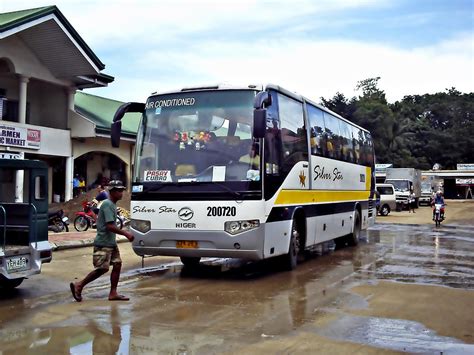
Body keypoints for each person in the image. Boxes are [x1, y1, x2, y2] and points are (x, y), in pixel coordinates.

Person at [70, 180, 134, 302]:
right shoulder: (108, 204)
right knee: (102, 269)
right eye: (119, 191)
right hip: (103, 242)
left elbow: (104, 222)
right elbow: (110, 226)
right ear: (113, 191)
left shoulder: (111, 205)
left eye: (122, 190)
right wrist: (126, 233)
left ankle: (113, 293)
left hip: (110, 242)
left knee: (117, 264)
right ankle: (79, 285)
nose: (121, 193)